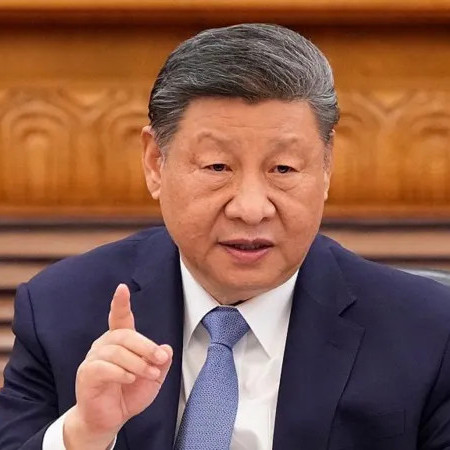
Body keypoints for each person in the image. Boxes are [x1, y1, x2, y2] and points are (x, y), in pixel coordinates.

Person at [0, 23, 450, 450]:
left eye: (283, 169)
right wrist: (85, 433)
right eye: (218, 167)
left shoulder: (427, 331)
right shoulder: (61, 310)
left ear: (326, 168)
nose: (251, 208)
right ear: (155, 163)